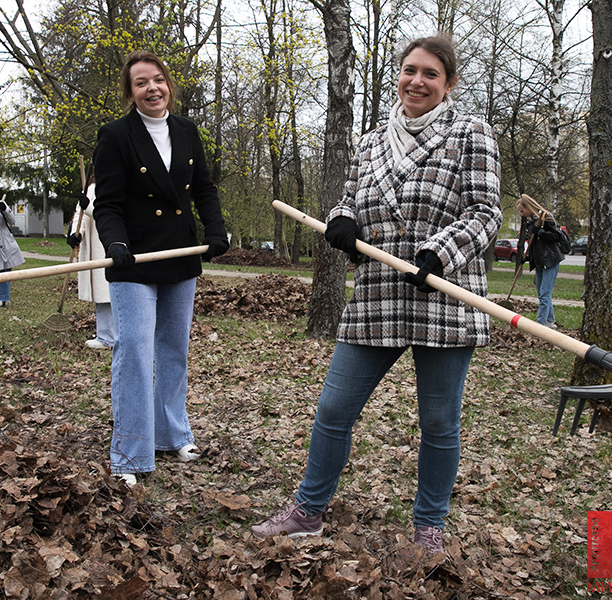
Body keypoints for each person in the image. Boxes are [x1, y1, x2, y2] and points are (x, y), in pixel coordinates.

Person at [250, 35, 502, 555]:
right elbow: (350, 200)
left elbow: (486, 212)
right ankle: (308, 511)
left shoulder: (472, 132)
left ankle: (429, 526)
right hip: (378, 295)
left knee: (438, 422)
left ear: (448, 83)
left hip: (444, 296)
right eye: (409, 70)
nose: (417, 81)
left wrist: (439, 253)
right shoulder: (370, 142)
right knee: (334, 409)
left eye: (430, 73)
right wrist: (343, 220)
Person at [93, 50, 229, 486]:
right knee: (132, 349)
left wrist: (216, 229)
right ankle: (130, 451)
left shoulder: (187, 131)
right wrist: (115, 243)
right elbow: (108, 204)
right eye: (140, 83)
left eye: (158, 80)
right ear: (130, 92)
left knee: (174, 348)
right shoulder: (115, 135)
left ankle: (172, 434)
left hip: (180, 256)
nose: (152, 88)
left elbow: (204, 188)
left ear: (168, 84)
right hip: (133, 259)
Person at [67, 175, 114, 348]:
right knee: (100, 295)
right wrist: (75, 233)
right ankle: (105, 334)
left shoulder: (112, 183)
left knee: (107, 293)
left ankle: (109, 336)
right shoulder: (89, 187)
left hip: (106, 245)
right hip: (91, 247)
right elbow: (79, 213)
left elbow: (109, 213)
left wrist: (89, 207)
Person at [516, 194, 565, 329]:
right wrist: (526, 257)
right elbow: (535, 244)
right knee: (542, 294)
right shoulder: (531, 222)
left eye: (522, 211)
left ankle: (540, 326)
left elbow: (556, 236)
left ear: (528, 207)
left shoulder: (545, 218)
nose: (522, 214)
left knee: (544, 294)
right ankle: (550, 321)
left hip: (550, 260)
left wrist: (540, 232)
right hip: (539, 262)